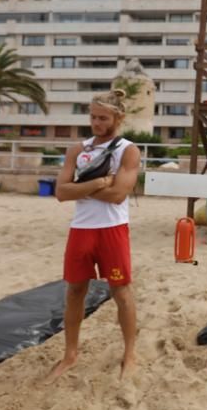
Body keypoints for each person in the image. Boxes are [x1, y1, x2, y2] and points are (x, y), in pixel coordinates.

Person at [47, 89, 142, 383]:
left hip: (112, 229)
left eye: (103, 118)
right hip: (82, 229)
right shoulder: (78, 149)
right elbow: (60, 192)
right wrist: (100, 180)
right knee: (74, 292)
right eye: (93, 117)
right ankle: (70, 354)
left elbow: (117, 196)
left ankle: (130, 354)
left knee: (121, 292)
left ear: (118, 118)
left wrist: (82, 186)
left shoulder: (128, 149)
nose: (96, 123)